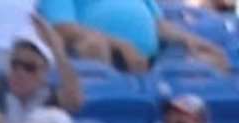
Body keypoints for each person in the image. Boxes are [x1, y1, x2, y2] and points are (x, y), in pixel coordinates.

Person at [37, 0, 227, 73]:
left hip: (153, 57)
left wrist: (196, 41)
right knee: (92, 45)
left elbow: (159, 24)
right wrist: (120, 44)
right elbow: (62, 27)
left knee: (209, 59)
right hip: (100, 56)